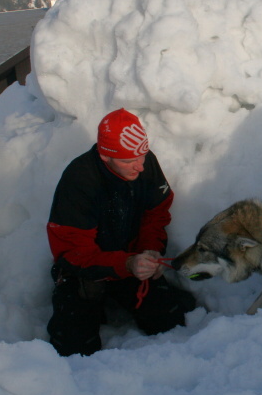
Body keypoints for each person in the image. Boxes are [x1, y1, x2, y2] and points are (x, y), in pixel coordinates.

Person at [46, 108, 195, 356]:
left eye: (142, 156)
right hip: (85, 272)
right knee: (73, 349)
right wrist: (126, 263)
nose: (139, 166)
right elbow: (73, 252)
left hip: (131, 261)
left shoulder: (144, 163)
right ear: (106, 156)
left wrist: (151, 250)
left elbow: (156, 213)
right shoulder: (79, 180)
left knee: (171, 320)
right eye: (128, 161)